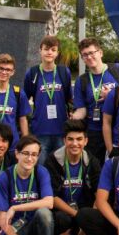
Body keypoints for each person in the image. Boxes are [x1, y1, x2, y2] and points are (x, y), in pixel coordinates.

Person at [43, 119, 100, 235]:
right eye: (71, 139)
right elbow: (52, 197)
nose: (75, 144)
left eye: (79, 139)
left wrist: (89, 220)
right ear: (64, 140)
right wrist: (79, 217)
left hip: (82, 206)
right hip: (60, 209)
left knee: (97, 214)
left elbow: (99, 193)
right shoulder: (52, 160)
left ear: (85, 141)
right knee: (62, 219)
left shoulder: (92, 161)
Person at [73, 38, 119, 167]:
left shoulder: (117, 70)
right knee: (96, 169)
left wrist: (112, 95)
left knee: (118, 167)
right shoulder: (82, 81)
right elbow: (81, 109)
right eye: (85, 55)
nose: (89, 57)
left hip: (118, 129)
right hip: (94, 132)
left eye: (92, 52)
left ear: (100, 52)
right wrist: (73, 119)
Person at [24, 35, 73, 164]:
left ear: (57, 53)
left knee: (60, 169)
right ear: (40, 51)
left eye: (53, 49)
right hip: (40, 130)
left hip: (61, 130)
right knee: (41, 168)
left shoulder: (64, 72)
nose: (49, 52)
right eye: (46, 49)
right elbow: (23, 101)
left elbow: (70, 98)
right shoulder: (32, 73)